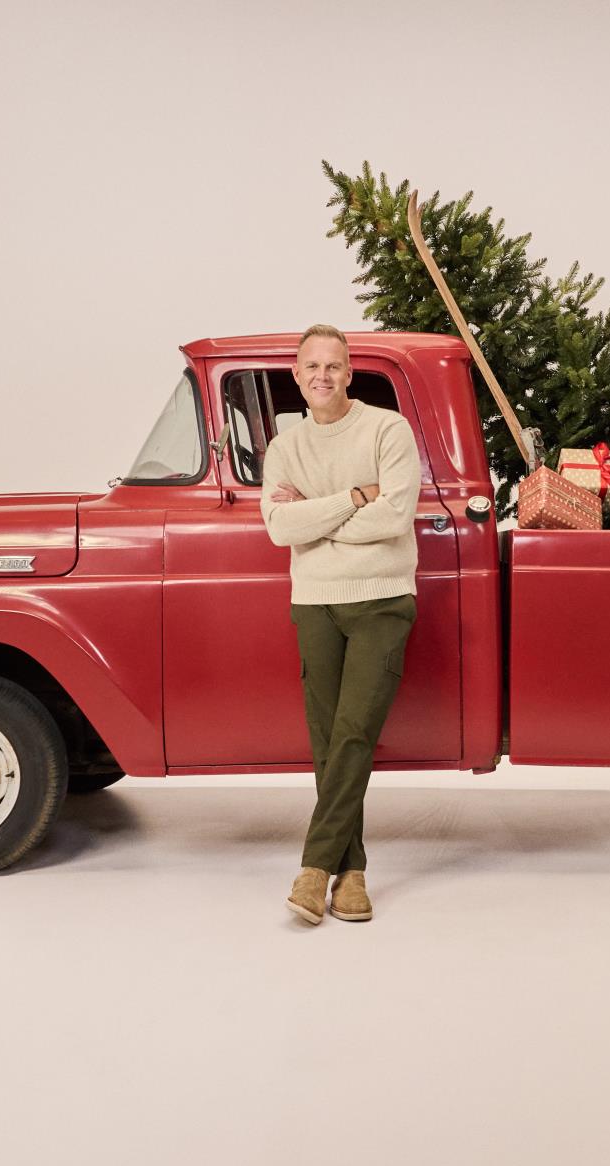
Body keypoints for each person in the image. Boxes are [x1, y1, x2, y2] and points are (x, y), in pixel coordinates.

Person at [261, 324, 422, 925]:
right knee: (328, 742)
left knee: (354, 731)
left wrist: (316, 517)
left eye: (334, 366)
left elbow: (396, 514)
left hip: (382, 599)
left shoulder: (387, 429)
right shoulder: (286, 448)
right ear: (298, 376)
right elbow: (279, 529)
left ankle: (312, 869)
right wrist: (354, 497)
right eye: (312, 367)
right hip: (315, 602)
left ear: (350, 373)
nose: (322, 376)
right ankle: (350, 874)